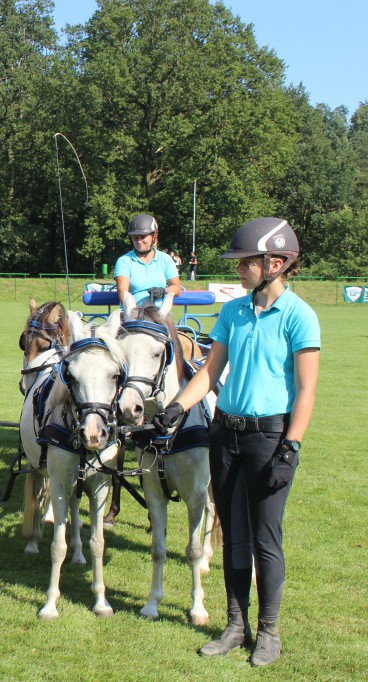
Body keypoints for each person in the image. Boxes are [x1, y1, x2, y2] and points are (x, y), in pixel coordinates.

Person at [152, 218, 319, 667]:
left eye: (247, 262)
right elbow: (208, 371)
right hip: (224, 432)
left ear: (276, 263)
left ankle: (268, 632)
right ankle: (234, 626)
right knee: (233, 537)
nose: (239, 269)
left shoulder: (300, 317)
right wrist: (178, 407)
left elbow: (306, 390)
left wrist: (291, 447)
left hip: (270, 438)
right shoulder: (233, 312)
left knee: (266, 538)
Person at [114, 214, 182, 307]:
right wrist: (133, 312)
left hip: (159, 314)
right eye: (135, 237)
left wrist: (163, 291)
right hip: (133, 313)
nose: (139, 241)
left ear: (154, 236)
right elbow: (123, 291)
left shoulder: (165, 259)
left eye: (143, 236)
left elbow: (177, 288)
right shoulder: (124, 261)